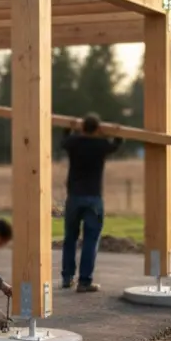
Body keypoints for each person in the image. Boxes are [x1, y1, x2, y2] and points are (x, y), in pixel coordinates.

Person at [60, 112, 123, 292]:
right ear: (97, 129)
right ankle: (84, 282)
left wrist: (68, 128)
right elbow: (117, 144)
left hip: (74, 198)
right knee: (90, 240)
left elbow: (64, 141)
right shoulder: (101, 145)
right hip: (93, 199)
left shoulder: (74, 143)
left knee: (70, 238)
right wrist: (114, 132)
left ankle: (67, 277)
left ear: (82, 128)